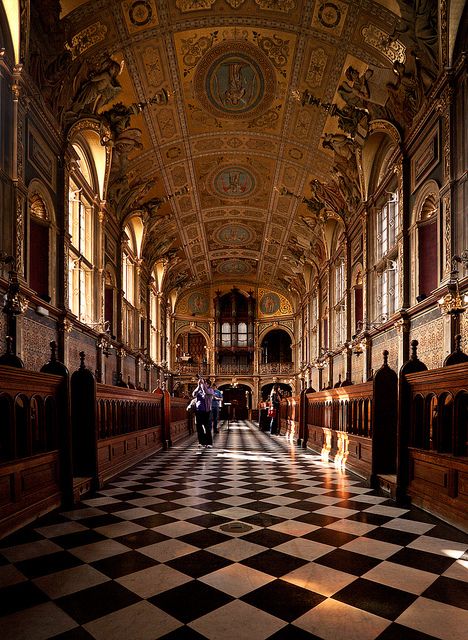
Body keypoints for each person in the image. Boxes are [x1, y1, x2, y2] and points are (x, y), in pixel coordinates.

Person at [192, 377, 214, 448]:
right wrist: (198, 386)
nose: (203, 385)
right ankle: (201, 442)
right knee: (199, 427)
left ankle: (209, 443)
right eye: (203, 383)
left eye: (205, 384)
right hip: (199, 411)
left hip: (207, 411)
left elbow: (207, 392)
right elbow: (193, 394)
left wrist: (203, 384)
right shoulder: (199, 391)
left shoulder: (211, 390)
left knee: (207, 427)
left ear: (208, 385)